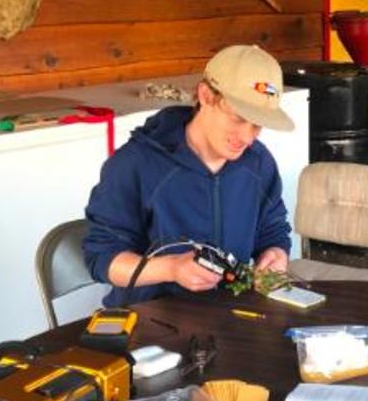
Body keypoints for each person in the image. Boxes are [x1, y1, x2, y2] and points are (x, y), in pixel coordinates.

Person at [83, 44, 294, 306]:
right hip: (151, 322)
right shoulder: (136, 163)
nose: (247, 138)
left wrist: (275, 253)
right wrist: (171, 268)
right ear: (205, 95)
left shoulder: (258, 163)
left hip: (233, 318)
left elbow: (272, 230)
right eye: (239, 118)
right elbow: (101, 259)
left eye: (257, 125)